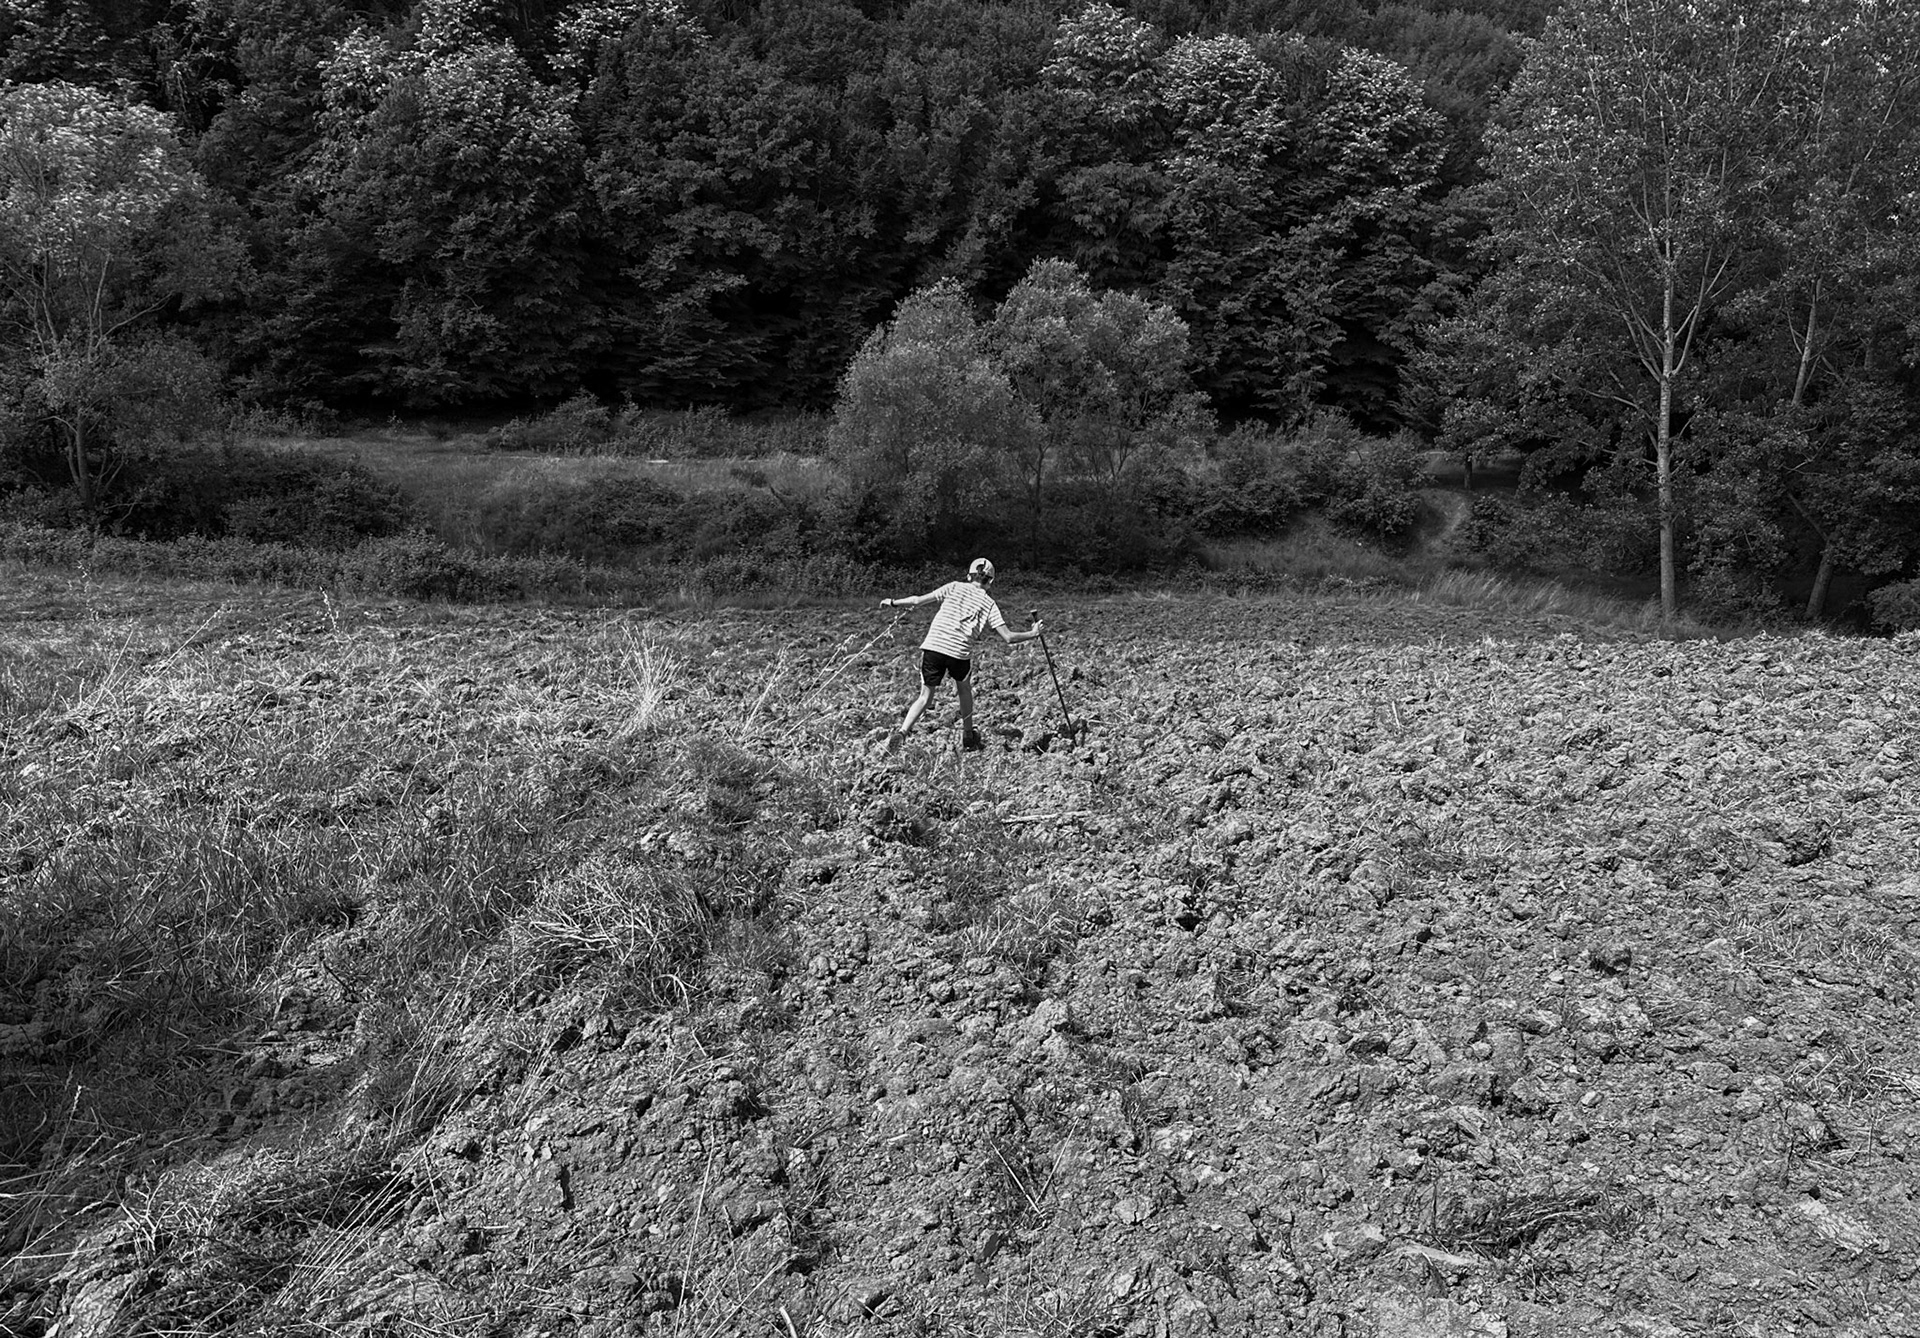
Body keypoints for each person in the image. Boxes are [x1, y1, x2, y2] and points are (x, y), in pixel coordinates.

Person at [880, 557, 1043, 752]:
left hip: (934, 647)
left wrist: (892, 602)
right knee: (964, 689)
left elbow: (917, 600)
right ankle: (968, 735)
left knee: (925, 696)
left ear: (969, 576)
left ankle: (903, 732)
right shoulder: (989, 604)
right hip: (959, 652)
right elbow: (1008, 637)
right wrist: (1033, 634)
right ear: (991, 581)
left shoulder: (954, 587)